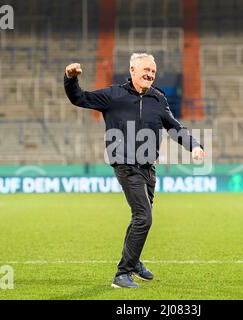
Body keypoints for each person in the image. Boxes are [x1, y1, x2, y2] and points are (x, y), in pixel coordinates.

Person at [64, 53, 205, 288]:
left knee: (140, 217)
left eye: (153, 72)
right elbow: (79, 98)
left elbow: (175, 127)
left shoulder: (158, 99)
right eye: (145, 70)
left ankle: (135, 260)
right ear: (132, 70)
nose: (150, 74)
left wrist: (195, 146)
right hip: (126, 164)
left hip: (149, 168)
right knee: (144, 217)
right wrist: (70, 79)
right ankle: (122, 274)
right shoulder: (113, 95)